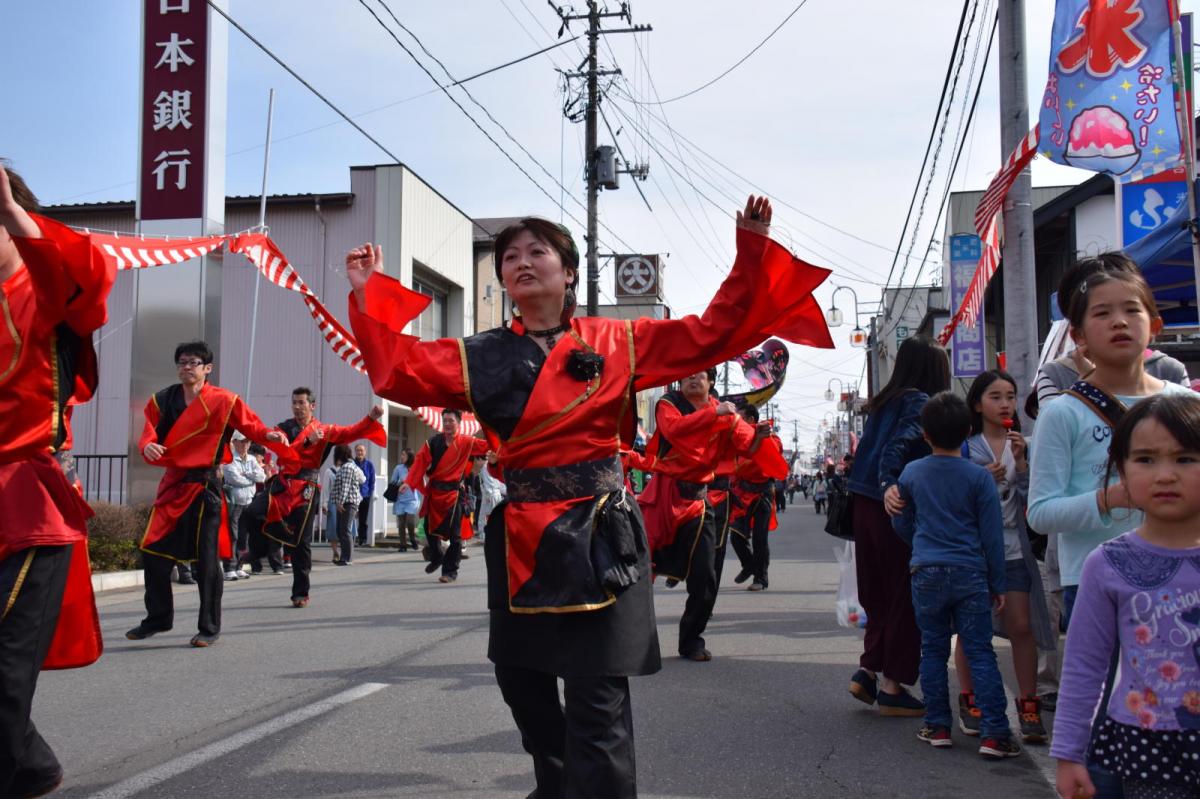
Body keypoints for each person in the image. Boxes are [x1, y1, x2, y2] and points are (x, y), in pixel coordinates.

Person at [345, 195, 832, 798]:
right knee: (520, 681)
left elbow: (712, 334)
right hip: (522, 532)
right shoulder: (478, 354)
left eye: (537, 251)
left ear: (569, 271)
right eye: (510, 256)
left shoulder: (619, 340)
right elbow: (397, 370)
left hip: (603, 532)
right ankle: (556, 784)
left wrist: (751, 248)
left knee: (597, 698)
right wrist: (369, 293)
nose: (522, 262)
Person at [0, 163, 109, 798]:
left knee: (5, 668)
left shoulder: (51, 292)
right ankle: (31, 765)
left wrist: (15, 213)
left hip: (27, 506)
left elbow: (89, 282)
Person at [1053, 393, 1200, 799]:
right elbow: (1084, 666)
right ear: (1121, 471)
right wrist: (1068, 754)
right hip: (1143, 747)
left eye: (1185, 458)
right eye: (1146, 459)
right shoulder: (1107, 564)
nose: (1165, 475)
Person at [126, 341, 289, 647]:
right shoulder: (162, 400)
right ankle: (158, 618)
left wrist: (269, 435)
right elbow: (148, 430)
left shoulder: (224, 400)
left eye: (193, 363)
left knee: (206, 560)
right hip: (173, 485)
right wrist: (147, 443)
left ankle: (209, 626)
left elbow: (252, 426)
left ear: (207, 369)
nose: (187, 367)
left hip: (205, 489)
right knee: (152, 550)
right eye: (182, 362)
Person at [892, 391, 1018, 758]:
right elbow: (991, 535)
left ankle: (937, 725)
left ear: (925, 435)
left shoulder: (912, 472)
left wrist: (919, 543)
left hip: (926, 568)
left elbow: (900, 519)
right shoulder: (978, 478)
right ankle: (995, 733)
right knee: (980, 651)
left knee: (932, 647)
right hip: (970, 571)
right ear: (967, 431)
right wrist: (998, 582)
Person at [846, 335, 950, 717]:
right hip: (895, 505)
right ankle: (893, 684)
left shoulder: (883, 403)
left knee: (877, 595)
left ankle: (868, 670)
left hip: (863, 506)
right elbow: (898, 451)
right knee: (904, 595)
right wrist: (890, 482)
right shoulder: (920, 403)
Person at [953, 370, 1056, 744]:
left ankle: (1028, 702)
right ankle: (970, 699)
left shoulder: (1024, 444)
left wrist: (1022, 467)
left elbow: (1038, 501)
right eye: (996, 397)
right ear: (978, 404)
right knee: (971, 628)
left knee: (1022, 626)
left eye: (1010, 396)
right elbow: (956, 502)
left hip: (1014, 549)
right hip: (975, 551)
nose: (1005, 404)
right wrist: (980, 478)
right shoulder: (965, 448)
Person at [639, 369, 767, 661]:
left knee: (706, 575)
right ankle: (639, 641)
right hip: (663, 498)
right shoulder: (668, 403)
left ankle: (691, 640)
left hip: (698, 501)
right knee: (642, 572)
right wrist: (715, 414)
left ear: (710, 382)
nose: (692, 380)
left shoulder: (721, 409)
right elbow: (675, 430)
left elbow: (745, 444)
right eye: (686, 376)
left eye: (699, 376)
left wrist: (758, 437)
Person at [239, 387, 385, 608]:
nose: (297, 407)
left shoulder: (324, 431)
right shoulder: (284, 428)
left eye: (302, 403)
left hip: (307, 487)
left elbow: (350, 432)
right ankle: (259, 550)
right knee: (251, 512)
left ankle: (300, 593)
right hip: (283, 482)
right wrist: (306, 441)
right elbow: (285, 451)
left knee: (302, 542)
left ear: (312, 406)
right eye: (294, 402)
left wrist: (370, 418)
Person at [405, 409, 488, 584]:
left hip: (454, 495)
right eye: (445, 421)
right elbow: (419, 462)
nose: (448, 424)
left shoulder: (466, 442)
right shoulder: (433, 443)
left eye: (451, 421)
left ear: (458, 423)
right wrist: (408, 482)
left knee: (455, 536)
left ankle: (450, 571)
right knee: (429, 529)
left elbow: (488, 445)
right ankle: (437, 556)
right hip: (435, 494)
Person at [727, 403, 789, 592]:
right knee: (736, 536)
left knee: (760, 539)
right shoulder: (736, 439)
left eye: (741, 418)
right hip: (742, 493)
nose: (737, 421)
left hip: (762, 492)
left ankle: (761, 578)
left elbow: (775, 450)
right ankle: (749, 564)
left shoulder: (769, 436)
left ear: (751, 420)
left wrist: (765, 436)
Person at [222, 432, 265, 581]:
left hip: (248, 502)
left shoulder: (252, 459)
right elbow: (234, 479)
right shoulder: (229, 459)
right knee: (232, 535)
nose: (246, 444)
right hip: (234, 503)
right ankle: (229, 567)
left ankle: (239, 566)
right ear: (234, 442)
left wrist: (246, 475)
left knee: (243, 536)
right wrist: (250, 478)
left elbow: (262, 476)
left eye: (247, 442)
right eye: (242, 442)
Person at [330, 445, 365, 566]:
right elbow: (362, 479)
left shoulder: (347, 467)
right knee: (341, 530)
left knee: (345, 530)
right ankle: (345, 556)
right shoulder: (349, 466)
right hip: (347, 501)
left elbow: (345, 486)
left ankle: (347, 558)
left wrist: (340, 502)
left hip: (348, 502)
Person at [389, 448, 421, 551]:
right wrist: (400, 483)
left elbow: (420, 481)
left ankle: (412, 539)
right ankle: (403, 545)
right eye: (401, 454)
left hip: (412, 499)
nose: (401, 457)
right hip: (400, 499)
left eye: (404, 455)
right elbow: (392, 481)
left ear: (409, 456)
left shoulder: (415, 467)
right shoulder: (398, 468)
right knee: (401, 523)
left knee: (410, 522)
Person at [353, 443, 376, 547]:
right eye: (358, 450)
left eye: (361, 450)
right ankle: (350, 538)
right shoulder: (352, 464)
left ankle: (362, 538)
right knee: (351, 516)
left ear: (365, 452)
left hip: (365, 495)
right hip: (353, 495)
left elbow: (372, 480)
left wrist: (370, 492)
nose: (360, 452)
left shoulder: (369, 464)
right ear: (355, 452)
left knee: (363, 518)